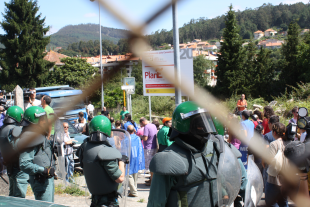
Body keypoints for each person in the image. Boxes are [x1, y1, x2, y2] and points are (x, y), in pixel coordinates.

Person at [147, 101, 243, 207]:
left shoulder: (215, 148)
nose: (205, 128)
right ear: (185, 125)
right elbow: (155, 202)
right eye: (200, 124)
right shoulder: (167, 159)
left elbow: (223, 183)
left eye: (207, 122)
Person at [76, 116, 125, 207]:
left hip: (95, 200)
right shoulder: (105, 151)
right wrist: (122, 162)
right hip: (108, 201)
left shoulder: (84, 148)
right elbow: (120, 178)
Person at [19, 106, 56, 202]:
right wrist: (43, 170)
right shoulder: (29, 138)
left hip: (47, 179)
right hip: (40, 180)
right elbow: (24, 163)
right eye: (42, 119)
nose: (45, 121)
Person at [0, 106, 29, 198]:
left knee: (12, 195)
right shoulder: (15, 130)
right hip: (19, 167)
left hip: (9, 165)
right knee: (19, 196)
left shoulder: (2, 129)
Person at [265, 123, 290, 207]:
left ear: (274, 133)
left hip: (274, 180)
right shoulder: (288, 143)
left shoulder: (273, 144)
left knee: (271, 203)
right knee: (283, 203)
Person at [127, 125, 145, 197]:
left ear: (127, 131)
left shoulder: (126, 138)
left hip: (129, 157)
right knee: (135, 173)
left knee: (129, 174)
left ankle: (134, 191)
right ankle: (134, 188)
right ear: (134, 130)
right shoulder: (137, 138)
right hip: (136, 157)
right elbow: (140, 148)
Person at [262, 115, 279, 189]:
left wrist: (263, 161)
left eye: (269, 123)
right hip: (280, 162)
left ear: (271, 124)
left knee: (268, 182)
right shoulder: (283, 135)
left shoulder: (267, 136)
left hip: (269, 162)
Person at [140, 117, 157, 185]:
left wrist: (141, 136)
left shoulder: (146, 127)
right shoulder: (153, 125)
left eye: (141, 124)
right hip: (154, 146)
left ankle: (152, 181)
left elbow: (145, 138)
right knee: (153, 163)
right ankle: (151, 178)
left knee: (150, 165)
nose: (141, 125)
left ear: (143, 122)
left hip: (148, 147)